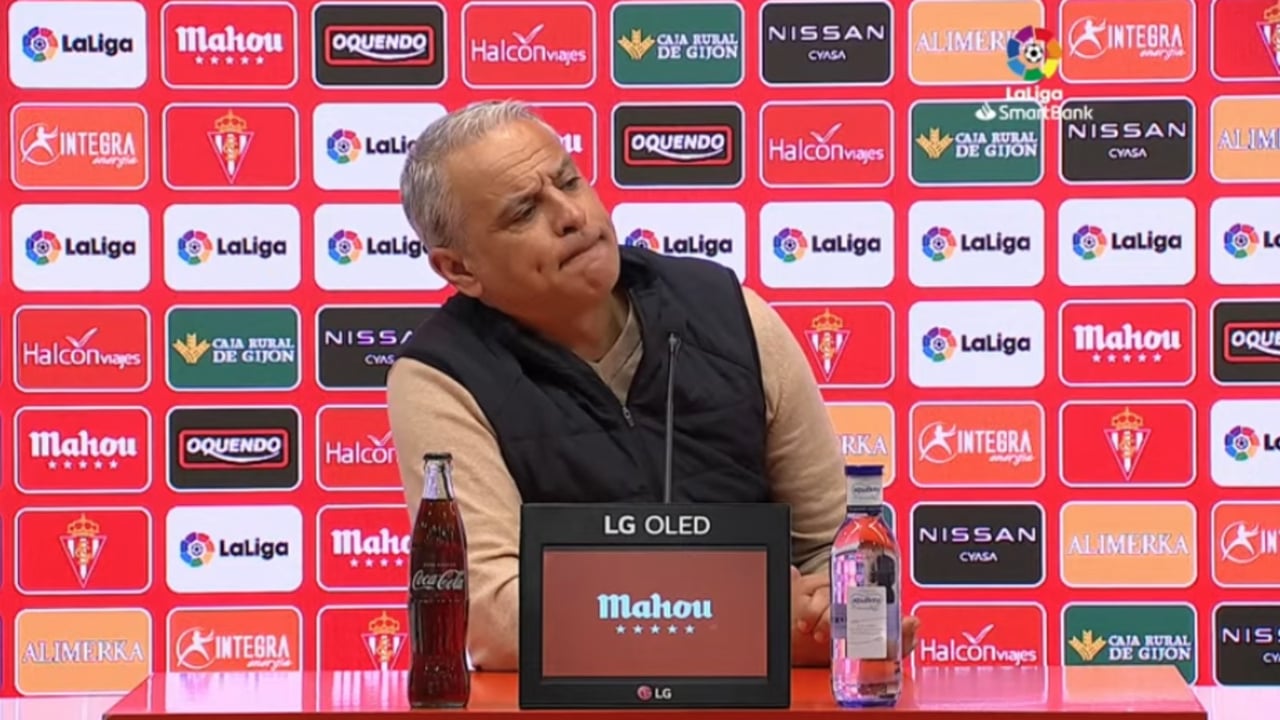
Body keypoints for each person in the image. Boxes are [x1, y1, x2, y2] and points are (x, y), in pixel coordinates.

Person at [386, 100, 919, 671]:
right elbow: (495, 621)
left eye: (569, 181)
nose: (571, 215)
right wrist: (749, 621)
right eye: (524, 212)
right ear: (459, 269)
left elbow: (837, 552)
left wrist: (840, 619)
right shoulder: (440, 378)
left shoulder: (730, 313)